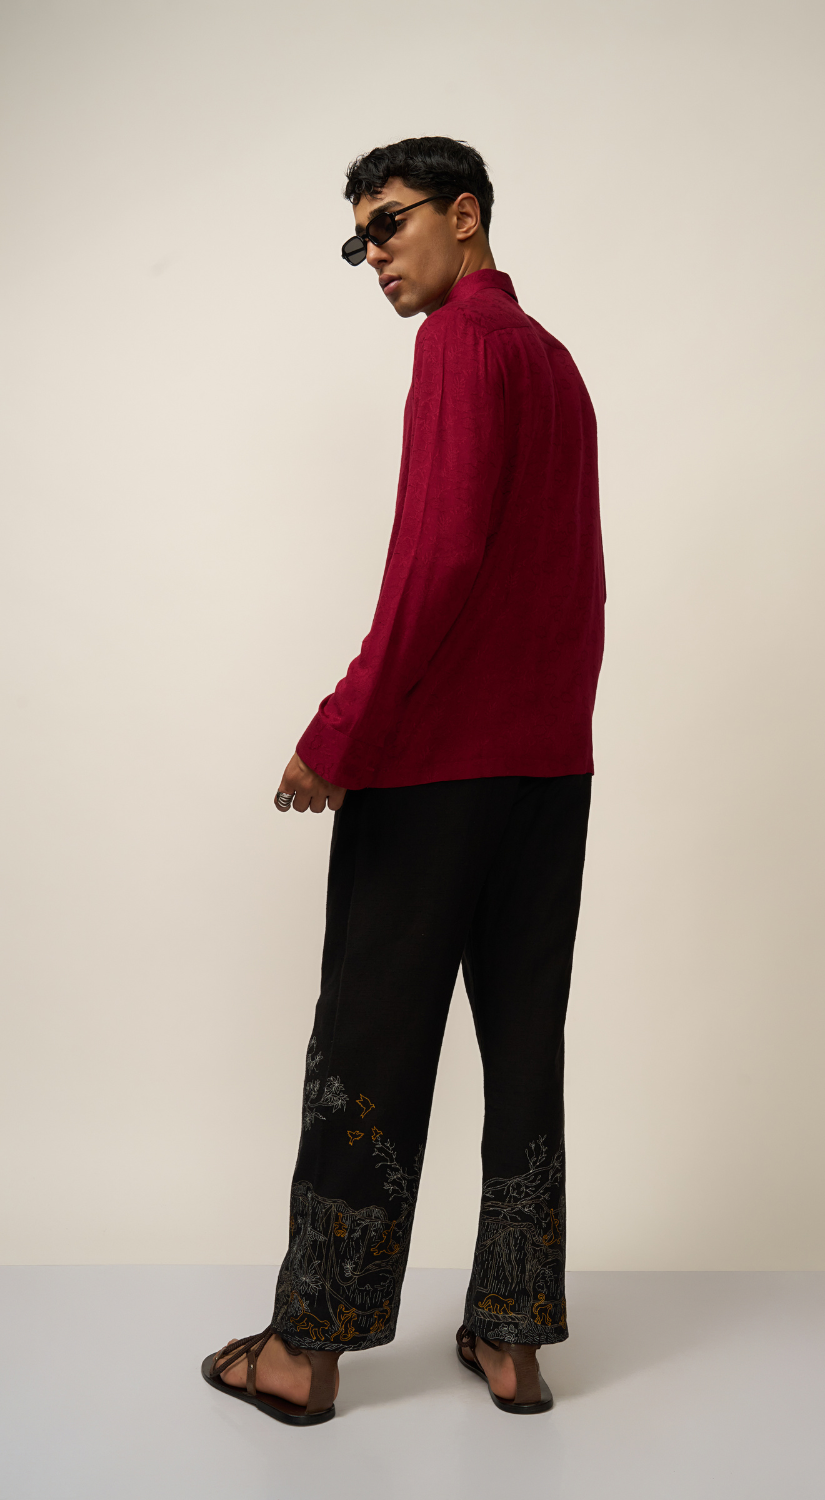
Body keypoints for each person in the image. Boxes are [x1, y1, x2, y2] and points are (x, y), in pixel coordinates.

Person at [202, 136, 605, 1424]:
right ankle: (515, 1338)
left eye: (389, 223)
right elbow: (578, 583)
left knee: (369, 1045)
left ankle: (306, 1352)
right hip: (547, 769)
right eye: (359, 239)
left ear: (464, 213)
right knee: (524, 1043)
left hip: (435, 769)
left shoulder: (459, 346)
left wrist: (340, 732)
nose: (373, 255)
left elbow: (435, 565)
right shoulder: (556, 365)